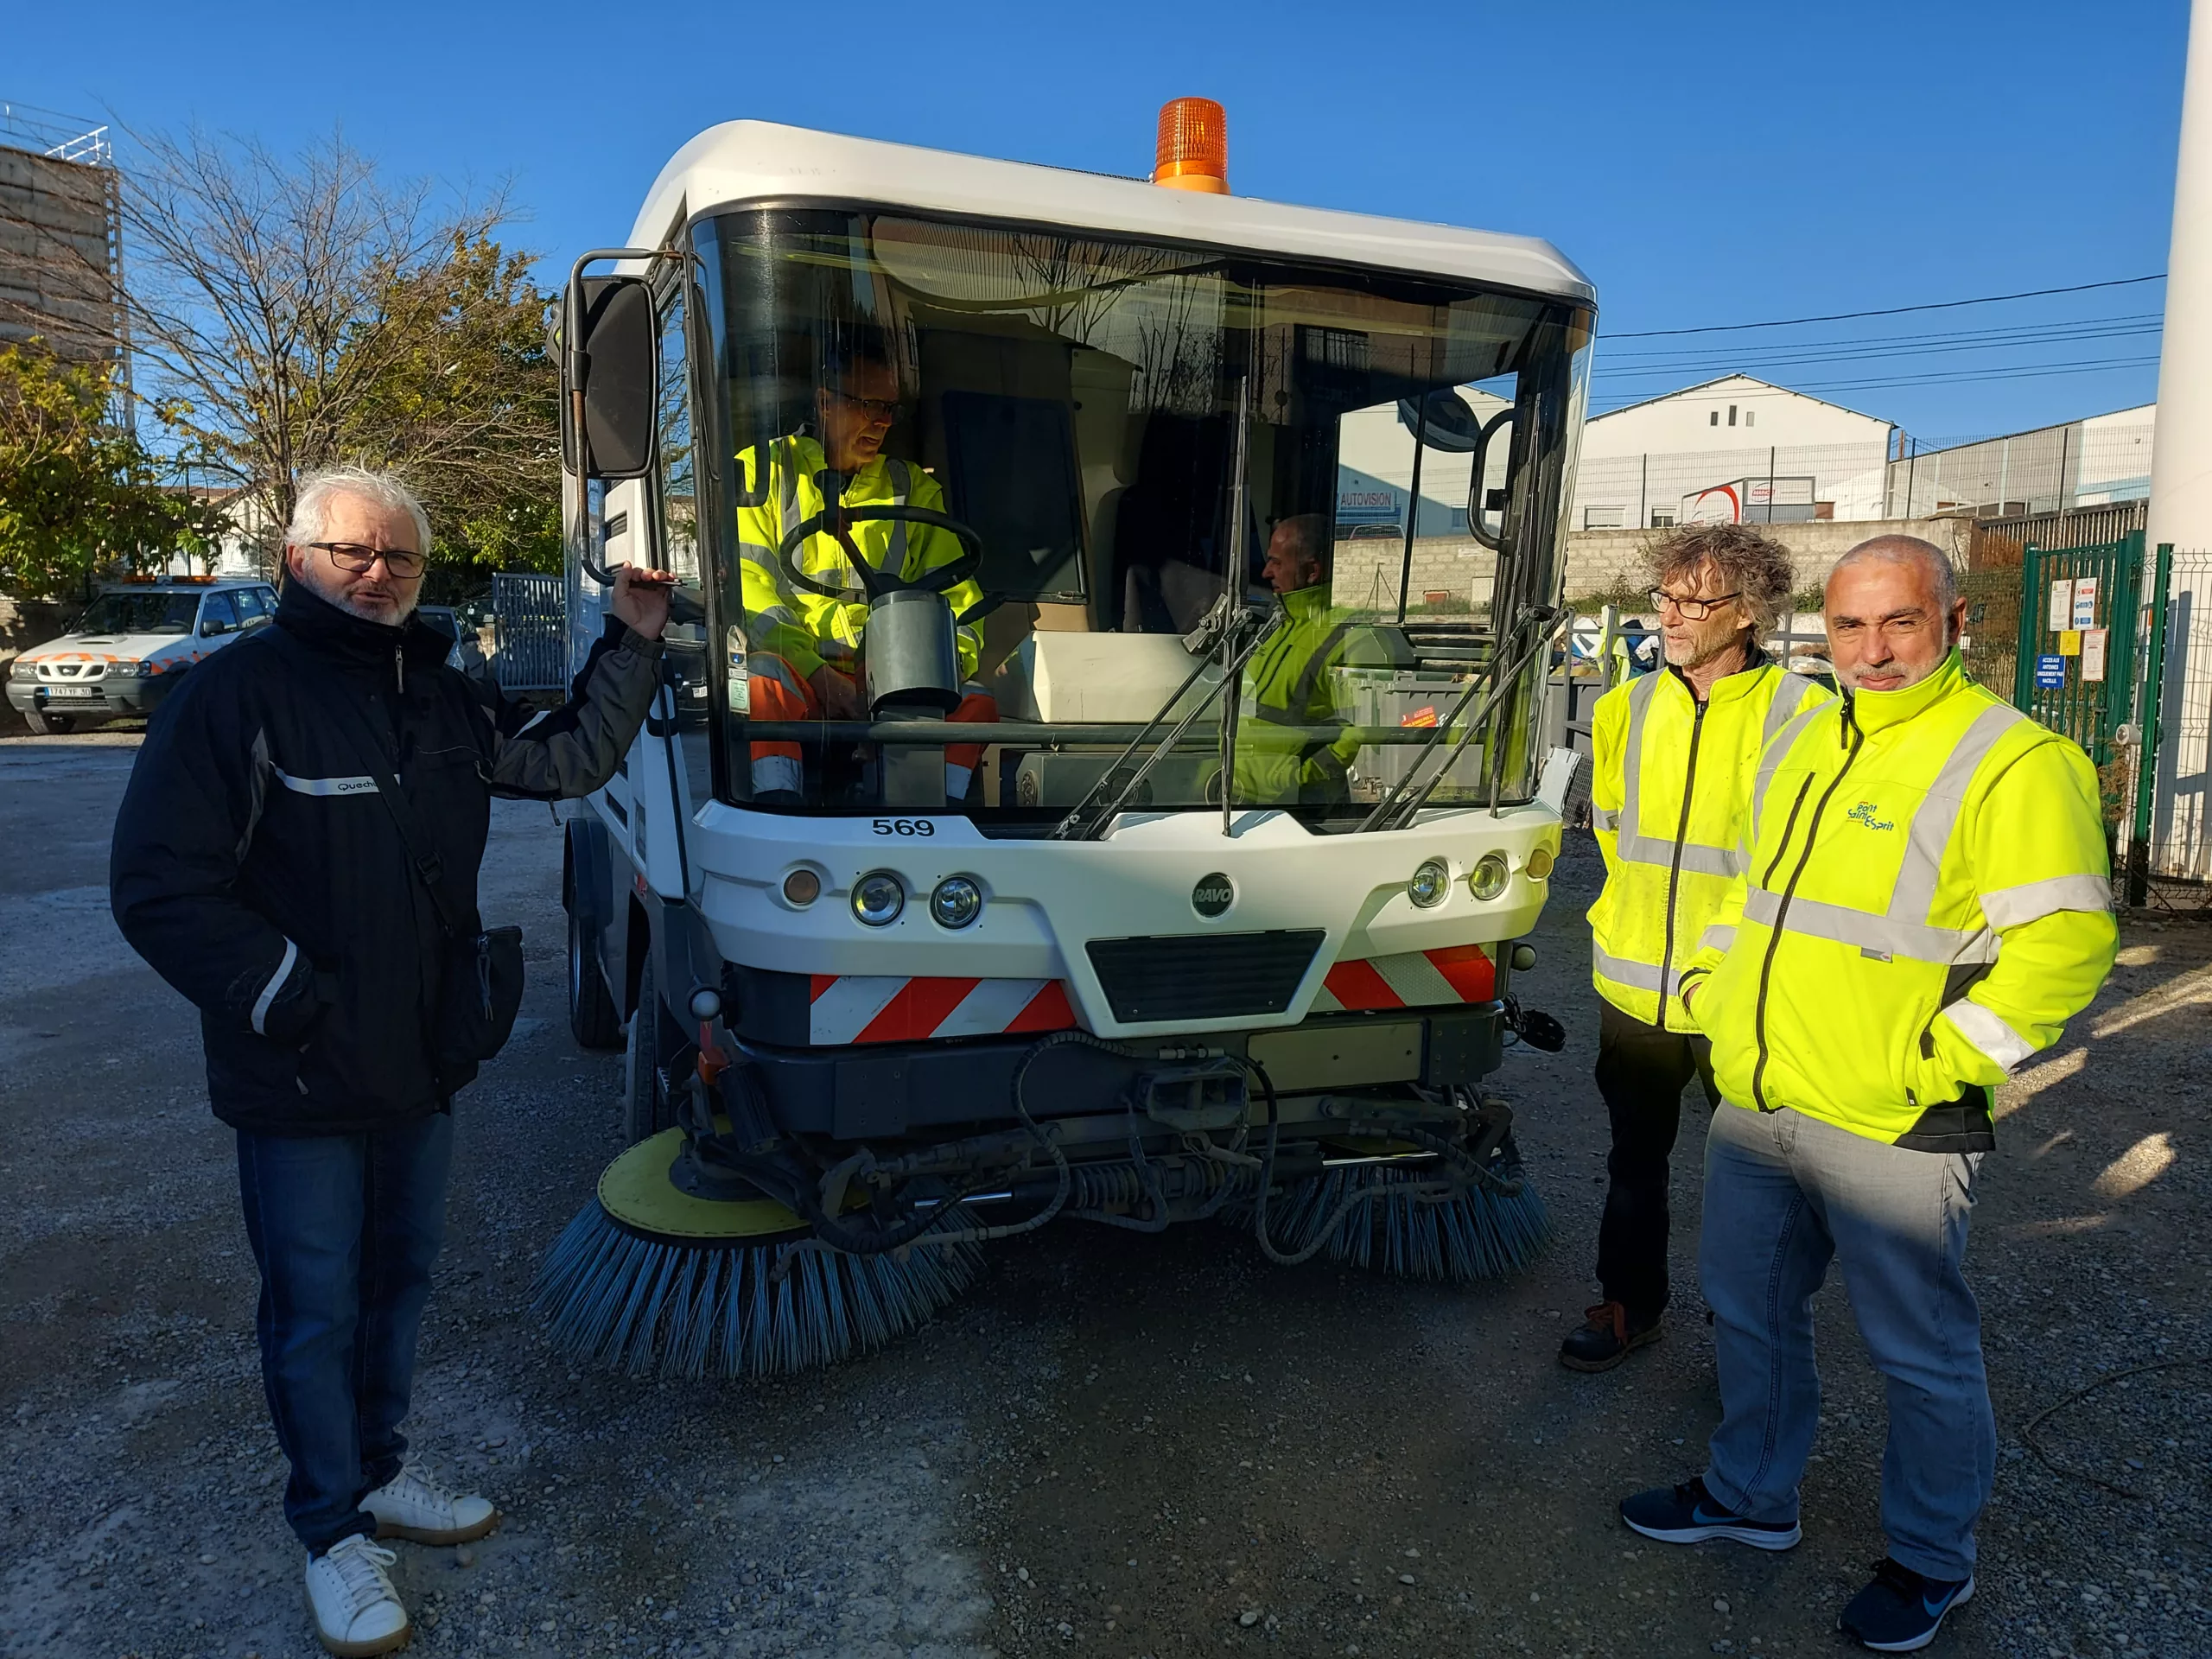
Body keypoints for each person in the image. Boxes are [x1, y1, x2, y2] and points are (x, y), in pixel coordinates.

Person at [110, 467, 671, 1657]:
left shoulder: (442, 693)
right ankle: (328, 1533)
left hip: (421, 1060)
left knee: (401, 1278)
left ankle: (373, 1477)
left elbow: (564, 762)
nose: (377, 576)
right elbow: (159, 886)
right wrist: (288, 998)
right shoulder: (235, 698)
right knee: (314, 1307)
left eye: (400, 560)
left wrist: (631, 643)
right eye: (352, 554)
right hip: (301, 1074)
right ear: (296, 558)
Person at [1619, 536, 2117, 1652]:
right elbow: (1752, 889)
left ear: (1950, 624)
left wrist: (1942, 1062)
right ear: (1822, 631)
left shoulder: (2011, 760)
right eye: (1851, 627)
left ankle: (1931, 1558)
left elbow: (2071, 943)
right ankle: (1751, 1497)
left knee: (1918, 1351)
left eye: (1900, 623)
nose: (1874, 650)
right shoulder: (1810, 739)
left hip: (1893, 1115)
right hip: (1763, 1096)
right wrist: (1710, 982)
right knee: (1749, 1313)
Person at [1562, 523, 1827, 1372]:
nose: (1670, 617)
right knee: (1632, 1163)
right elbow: (1610, 833)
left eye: (1693, 601)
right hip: (1634, 987)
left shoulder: (1806, 716)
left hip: (1744, 995)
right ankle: (1627, 1305)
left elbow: (1798, 865)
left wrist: (1722, 954)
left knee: (1754, 1181)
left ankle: (1747, 1339)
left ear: (1747, 613)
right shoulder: (1622, 707)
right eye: (1664, 598)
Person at [736, 330, 995, 803]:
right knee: (761, 683)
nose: (881, 422)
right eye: (867, 405)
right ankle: (777, 808)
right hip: (801, 670)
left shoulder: (913, 488)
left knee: (976, 701)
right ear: (825, 403)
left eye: (889, 410)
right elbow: (749, 590)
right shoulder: (761, 471)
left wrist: (933, 675)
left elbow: (960, 601)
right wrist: (820, 676)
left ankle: (939, 816)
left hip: (894, 675)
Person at [1232, 514, 1410, 805]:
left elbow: (1363, 735)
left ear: (1312, 571)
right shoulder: (1275, 627)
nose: (1265, 572)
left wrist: (1299, 779)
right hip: (1232, 798)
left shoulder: (1355, 641)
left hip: (1298, 811)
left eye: (1277, 563)